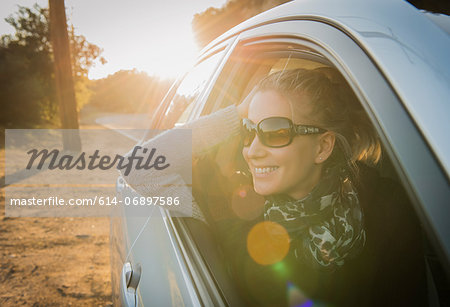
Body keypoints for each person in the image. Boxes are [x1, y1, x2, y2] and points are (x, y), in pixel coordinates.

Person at [121, 68, 426, 306]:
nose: (251, 150)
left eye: (275, 131)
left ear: (323, 147)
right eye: (249, 131)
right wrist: (238, 112)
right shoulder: (233, 215)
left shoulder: (387, 203)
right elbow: (139, 167)